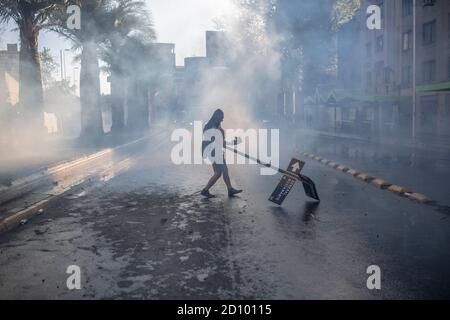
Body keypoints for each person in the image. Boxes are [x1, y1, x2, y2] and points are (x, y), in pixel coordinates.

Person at [201, 109, 243, 198]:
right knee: (218, 172)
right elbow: (214, 140)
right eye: (221, 118)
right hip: (213, 152)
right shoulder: (212, 127)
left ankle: (230, 189)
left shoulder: (215, 126)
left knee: (225, 170)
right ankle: (205, 190)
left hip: (216, 151)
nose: (222, 120)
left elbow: (221, 142)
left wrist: (233, 143)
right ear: (217, 117)